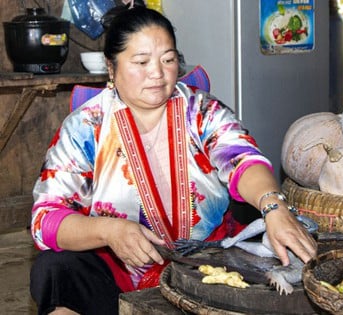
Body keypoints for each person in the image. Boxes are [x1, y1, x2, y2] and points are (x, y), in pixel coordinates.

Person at [29, 4, 317, 315]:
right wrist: (108, 231)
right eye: (141, 61)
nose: (157, 72)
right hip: (117, 275)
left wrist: (272, 205)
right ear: (111, 69)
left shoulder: (202, 111)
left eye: (167, 60)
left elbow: (243, 159)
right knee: (55, 270)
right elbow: (45, 219)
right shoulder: (86, 126)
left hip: (206, 268)